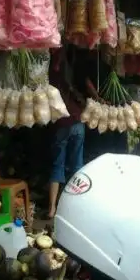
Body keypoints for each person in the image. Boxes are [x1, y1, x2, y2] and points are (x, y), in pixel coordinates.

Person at [48, 46, 87, 218]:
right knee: (76, 166)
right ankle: (75, 208)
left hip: (62, 124)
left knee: (58, 165)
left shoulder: (51, 77)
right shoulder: (72, 77)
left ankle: (52, 209)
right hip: (77, 121)